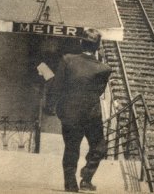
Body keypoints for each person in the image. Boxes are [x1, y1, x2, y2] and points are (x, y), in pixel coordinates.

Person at [47, 28, 112, 192]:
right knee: (99, 148)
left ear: (81, 43)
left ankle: (70, 184)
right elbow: (99, 92)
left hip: (69, 114)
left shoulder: (67, 60)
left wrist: (51, 106)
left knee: (71, 148)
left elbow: (57, 86)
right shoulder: (103, 69)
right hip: (91, 115)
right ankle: (86, 177)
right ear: (97, 47)